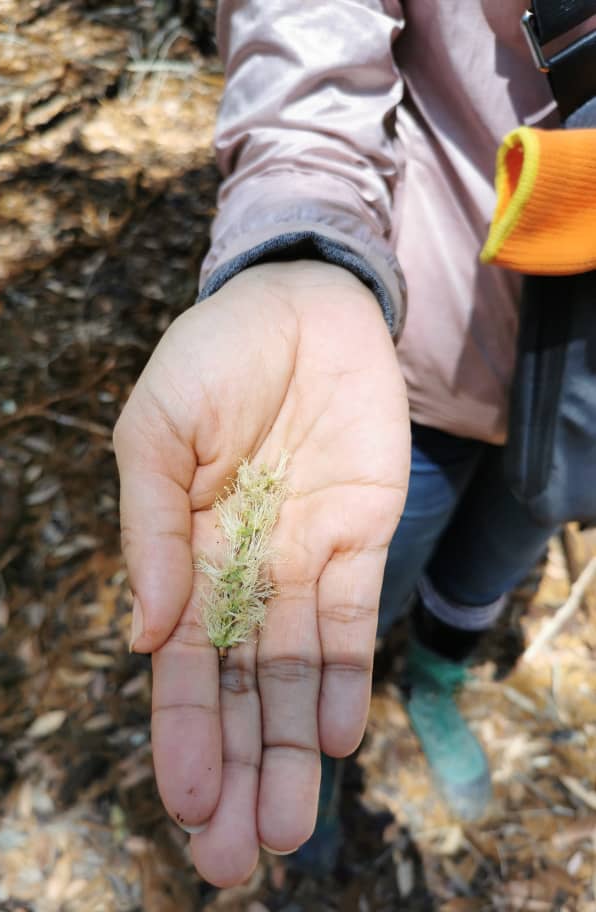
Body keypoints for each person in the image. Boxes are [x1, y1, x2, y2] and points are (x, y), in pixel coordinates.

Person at [114, 0, 562, 888]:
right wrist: (303, 235)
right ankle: (317, 773)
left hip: (579, 417)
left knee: (488, 570)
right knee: (341, 607)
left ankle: (435, 682)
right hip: (416, 366)